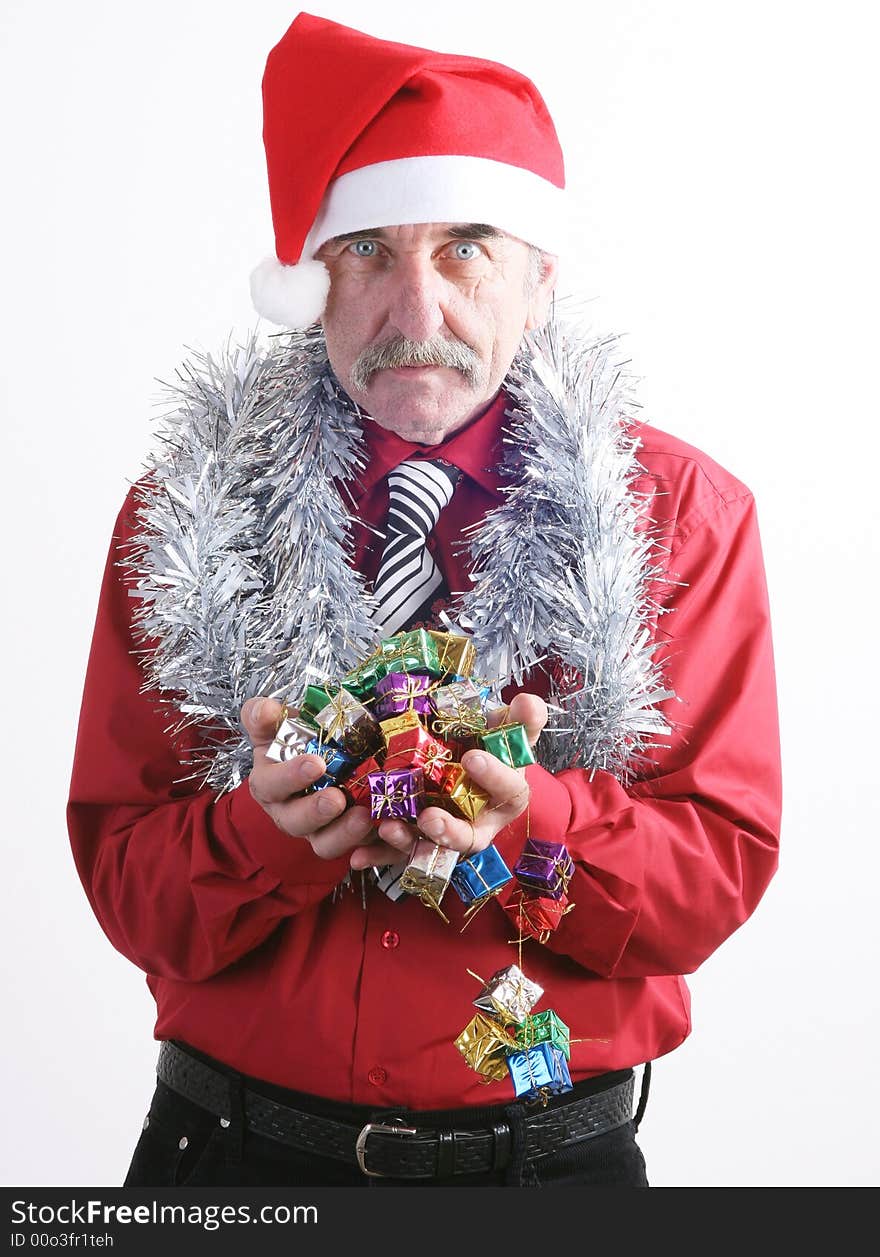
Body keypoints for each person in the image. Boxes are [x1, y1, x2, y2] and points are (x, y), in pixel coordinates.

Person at [67, 11, 781, 1188]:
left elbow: (713, 874)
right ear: (306, 281)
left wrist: (533, 823)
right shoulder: (182, 513)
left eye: (465, 247)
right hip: (232, 1164)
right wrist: (263, 836)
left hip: (546, 1174)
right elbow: (128, 881)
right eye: (363, 250)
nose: (415, 312)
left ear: (539, 280)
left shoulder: (679, 517)